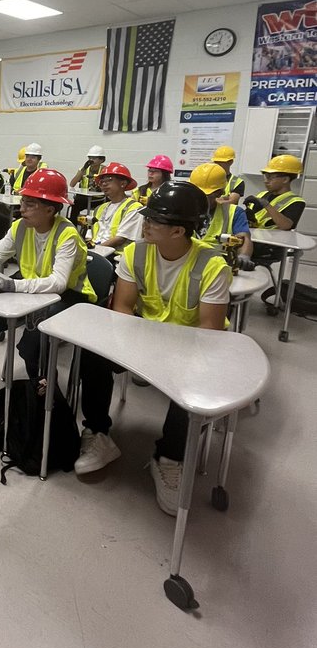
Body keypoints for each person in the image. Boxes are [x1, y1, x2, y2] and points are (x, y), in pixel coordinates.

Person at [75, 181, 231, 515]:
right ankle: (98, 432)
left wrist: (168, 356)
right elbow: (123, 309)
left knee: (192, 379)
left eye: (154, 220)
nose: (144, 224)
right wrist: (135, 350)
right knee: (94, 354)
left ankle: (169, 457)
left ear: (178, 231)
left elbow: (209, 330)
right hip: (142, 337)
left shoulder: (213, 265)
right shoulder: (136, 252)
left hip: (191, 346)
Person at [0, 169, 95, 414]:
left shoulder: (68, 235)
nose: (22, 208)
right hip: (30, 291)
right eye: (23, 201)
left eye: (30, 203)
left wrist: (11, 285)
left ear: (51, 209)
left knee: (33, 341)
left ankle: (45, 394)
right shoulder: (20, 226)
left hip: (67, 297)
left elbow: (59, 282)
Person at [189, 162, 253, 263]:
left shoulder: (234, 212)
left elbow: (244, 239)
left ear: (219, 193)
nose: (198, 198)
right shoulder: (182, 208)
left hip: (218, 265)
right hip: (186, 262)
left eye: (205, 195)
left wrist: (243, 256)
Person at [85, 162, 143, 252]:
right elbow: (90, 235)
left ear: (123, 184)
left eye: (109, 180)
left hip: (116, 258)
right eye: (102, 182)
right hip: (96, 252)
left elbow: (120, 239)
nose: (104, 184)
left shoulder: (134, 208)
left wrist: (95, 250)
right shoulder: (99, 208)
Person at [244, 155, 305, 233]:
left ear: (285, 179)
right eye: (265, 176)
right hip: (252, 238)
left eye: (270, 177)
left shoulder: (296, 202)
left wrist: (267, 205)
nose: (266, 181)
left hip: (272, 243)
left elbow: (286, 226)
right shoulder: (262, 195)